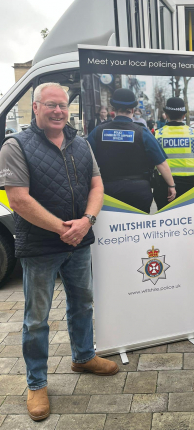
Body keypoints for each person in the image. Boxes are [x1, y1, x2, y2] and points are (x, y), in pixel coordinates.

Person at [0, 82, 119, 422]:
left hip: (79, 242)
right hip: (40, 248)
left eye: (62, 105)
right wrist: (62, 228)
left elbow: (97, 185)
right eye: (50, 104)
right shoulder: (15, 146)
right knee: (36, 320)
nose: (57, 111)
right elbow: (18, 199)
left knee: (82, 304)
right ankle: (36, 383)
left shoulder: (80, 143)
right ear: (35, 107)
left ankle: (84, 356)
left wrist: (86, 220)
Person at [88, 88, 176, 213]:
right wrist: (171, 185)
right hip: (138, 191)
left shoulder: (97, 132)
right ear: (133, 110)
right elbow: (161, 163)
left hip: (107, 190)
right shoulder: (142, 132)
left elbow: (86, 160)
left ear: (113, 109)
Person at [154, 97, 194, 210]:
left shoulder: (157, 134)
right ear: (184, 115)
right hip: (191, 185)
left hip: (164, 185)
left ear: (166, 114)